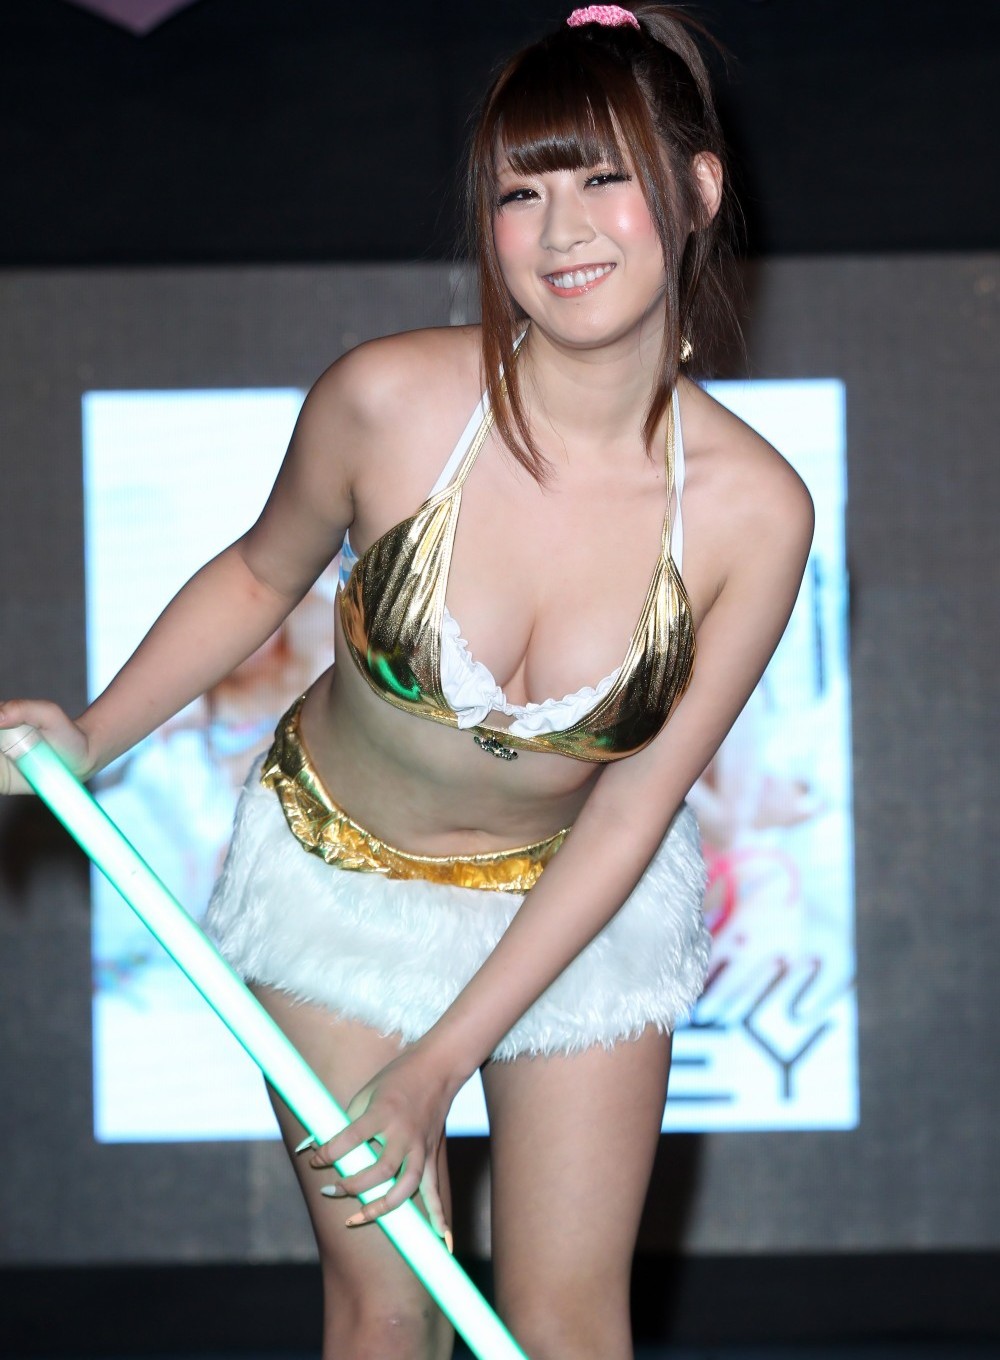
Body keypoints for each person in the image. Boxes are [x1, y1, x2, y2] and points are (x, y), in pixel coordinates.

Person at [0, 6, 813, 1357]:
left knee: (568, 1322)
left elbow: (630, 810)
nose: (561, 231)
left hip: (575, 906)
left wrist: (439, 1065)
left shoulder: (756, 513)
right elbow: (257, 577)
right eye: (520, 192)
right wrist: (91, 734)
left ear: (698, 190)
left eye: (604, 177)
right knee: (391, 1303)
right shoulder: (386, 402)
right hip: (336, 880)